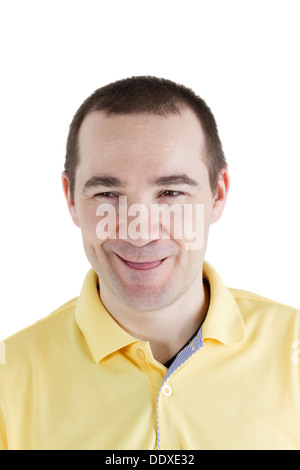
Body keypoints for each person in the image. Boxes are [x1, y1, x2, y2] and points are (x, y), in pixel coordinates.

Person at [0, 76, 299, 450]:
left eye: (171, 192)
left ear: (218, 193)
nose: (140, 232)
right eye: (108, 193)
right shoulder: (7, 379)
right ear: (71, 199)